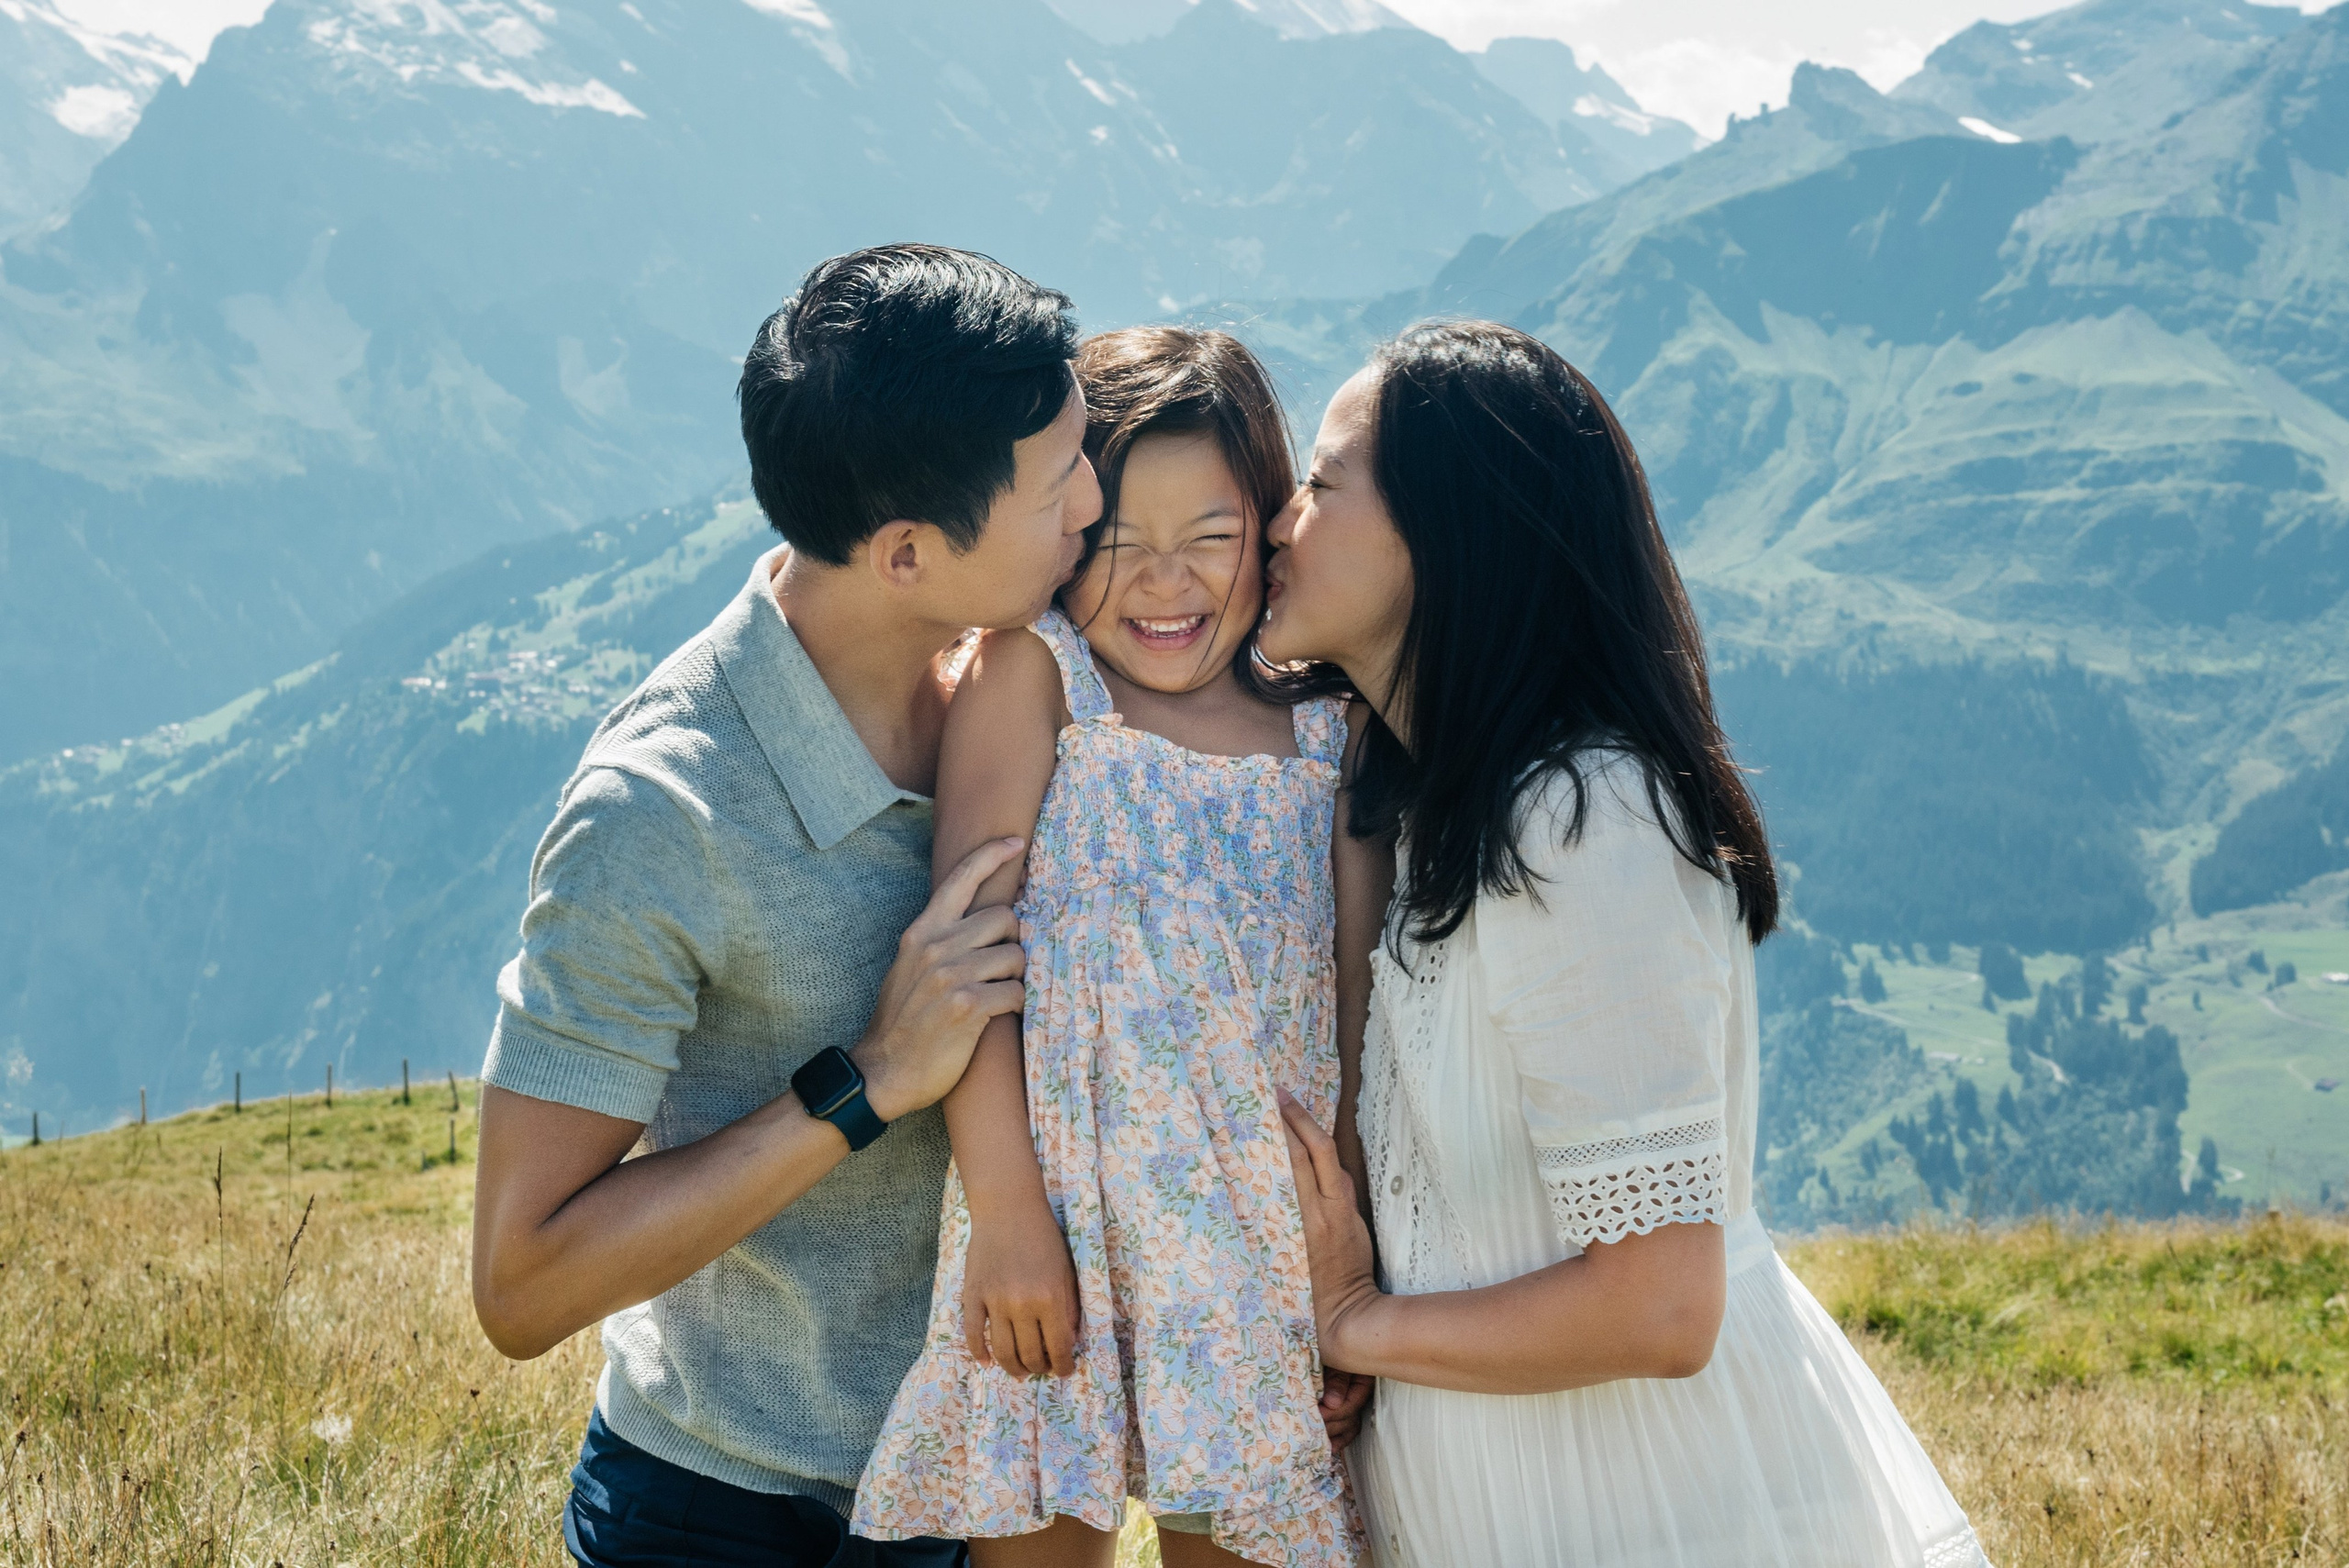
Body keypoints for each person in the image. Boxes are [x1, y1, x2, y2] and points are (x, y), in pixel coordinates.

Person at [1258, 321, 1992, 1568]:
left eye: (1321, 484)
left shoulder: (1581, 820)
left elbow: (1660, 1303)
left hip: (1642, 1498)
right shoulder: (1447, 803)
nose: (1280, 520)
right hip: (1516, 1487)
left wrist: (1355, 1323)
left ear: (1450, 533)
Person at [468, 244, 1103, 1568]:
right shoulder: (658, 816)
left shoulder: (1040, 688)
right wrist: (868, 1080)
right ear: (910, 552)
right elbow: (523, 1284)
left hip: (969, 1486)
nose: (1093, 503)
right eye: (1060, 483)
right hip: (726, 1514)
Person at [853, 328, 1376, 1568]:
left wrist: (1346, 1252)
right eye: (1115, 544)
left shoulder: (1323, 726)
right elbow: (966, 959)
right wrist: (1007, 1212)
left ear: (1273, 525)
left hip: (1258, 1252)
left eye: (1210, 538)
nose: (1163, 583)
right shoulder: (1037, 681)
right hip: (1059, 1228)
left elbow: (1353, 1004)